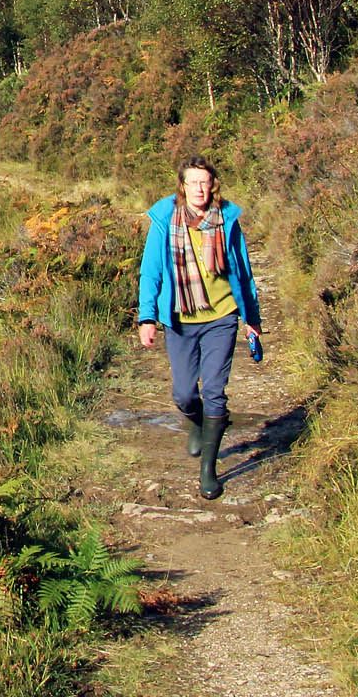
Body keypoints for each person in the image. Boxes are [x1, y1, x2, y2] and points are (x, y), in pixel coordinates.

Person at [136, 156, 263, 500]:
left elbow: (244, 271)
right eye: (193, 182)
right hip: (180, 318)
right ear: (183, 185)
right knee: (184, 394)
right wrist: (147, 317)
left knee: (215, 392)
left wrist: (252, 319)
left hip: (222, 317)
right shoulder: (165, 219)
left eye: (205, 182)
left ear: (213, 185)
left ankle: (208, 470)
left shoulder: (227, 219)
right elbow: (151, 272)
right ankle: (197, 422)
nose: (199, 189)